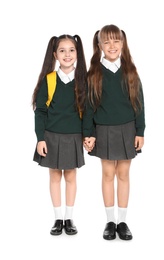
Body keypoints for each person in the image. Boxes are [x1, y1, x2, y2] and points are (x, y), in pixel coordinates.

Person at [83, 24, 145, 241]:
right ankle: (110, 221)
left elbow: (139, 102)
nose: (112, 45)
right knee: (108, 174)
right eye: (106, 41)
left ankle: (123, 221)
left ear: (122, 43)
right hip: (104, 130)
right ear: (99, 45)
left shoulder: (130, 70)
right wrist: (88, 133)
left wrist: (140, 130)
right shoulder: (94, 73)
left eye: (116, 40)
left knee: (124, 175)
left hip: (127, 129)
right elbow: (89, 106)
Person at [32, 34, 87, 236]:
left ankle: (69, 217)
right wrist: (41, 139)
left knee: (71, 176)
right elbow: (40, 111)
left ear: (77, 53)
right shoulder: (49, 80)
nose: (67, 54)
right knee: (55, 177)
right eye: (62, 50)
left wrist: (88, 135)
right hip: (52, 135)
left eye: (71, 50)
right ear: (55, 54)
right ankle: (57, 218)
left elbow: (88, 110)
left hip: (74, 135)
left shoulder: (83, 80)